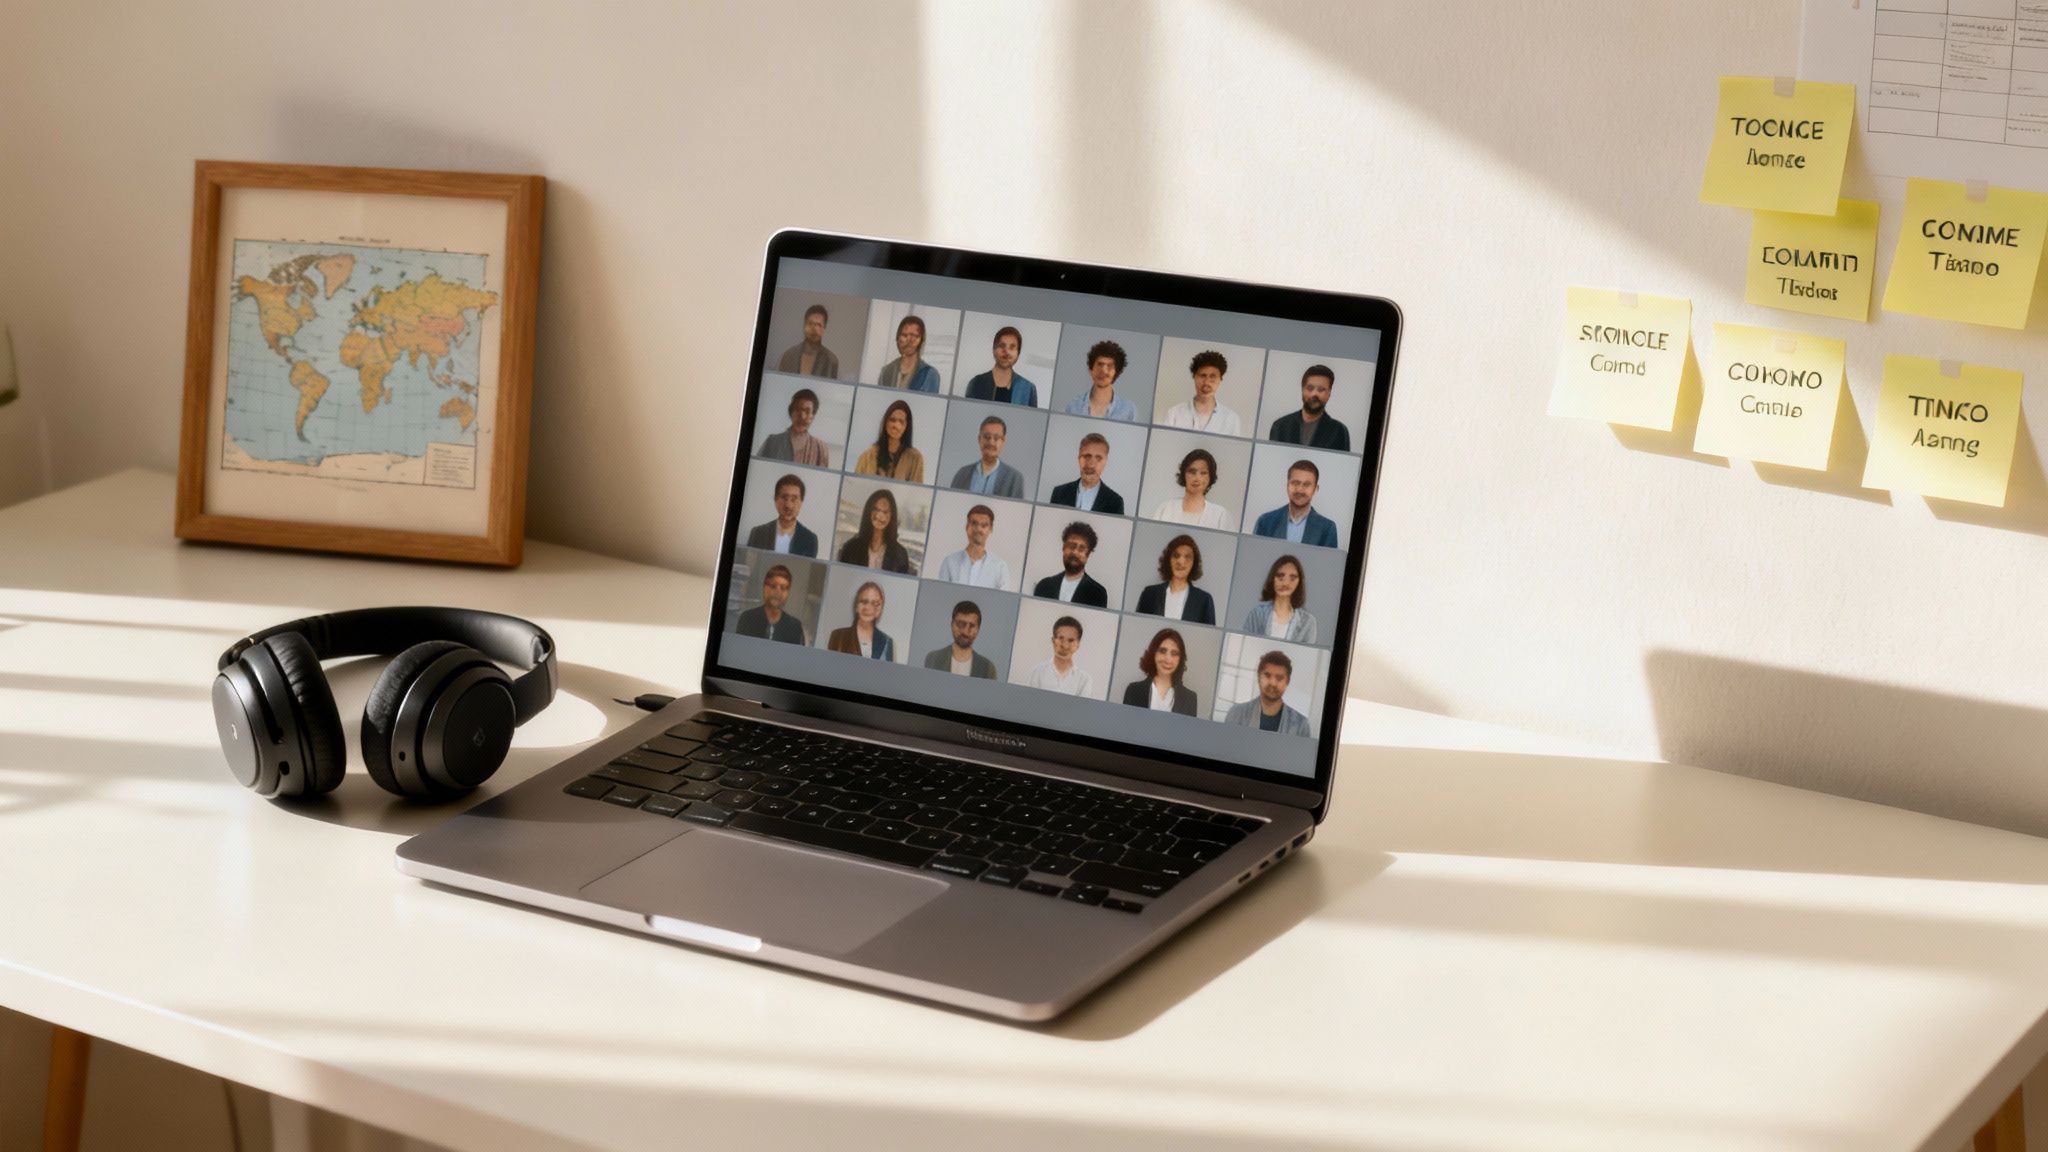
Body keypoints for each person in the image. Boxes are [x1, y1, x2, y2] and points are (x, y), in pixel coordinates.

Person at [1251, 459, 1339, 547]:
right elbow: (1254, 556)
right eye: (1295, 483)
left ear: (1316, 489)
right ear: (1287, 485)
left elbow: (1329, 561)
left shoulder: (1327, 529)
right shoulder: (1265, 522)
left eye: (1306, 484)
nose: (1299, 490)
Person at [1223, 650, 1313, 735]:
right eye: (1267, 675)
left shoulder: (1301, 726)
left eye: (1279, 678)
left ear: (1287, 682)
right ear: (1259, 677)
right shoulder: (1236, 713)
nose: (1273, 683)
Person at [1134, 534, 1216, 624]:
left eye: (1188, 557)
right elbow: (1137, 624)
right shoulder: (1149, 594)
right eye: (1176, 556)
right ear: (1168, 560)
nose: (1181, 562)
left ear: (1194, 563)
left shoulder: (1204, 600)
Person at [1268, 364, 1350, 451]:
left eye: (1321, 389)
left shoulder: (1339, 431)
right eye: (1310, 388)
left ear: (1329, 394)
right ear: (1302, 390)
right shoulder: (1280, 426)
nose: (1314, 394)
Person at [1162, 349, 1242, 436]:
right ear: (1194, 377)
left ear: (1220, 379)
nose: (1206, 383)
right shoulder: (1174, 414)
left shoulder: (1231, 419)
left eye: (1213, 376)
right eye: (1202, 376)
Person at [933, 504, 1013, 589]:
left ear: (990, 529)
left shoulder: (1000, 567)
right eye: (974, 523)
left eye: (984, 525)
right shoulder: (949, 562)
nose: (978, 529)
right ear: (967, 526)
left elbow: (1003, 601)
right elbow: (941, 595)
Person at [1150, 447, 1233, 529]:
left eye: (1203, 473)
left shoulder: (1220, 516)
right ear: (1183, 474)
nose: (1197, 478)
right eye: (1192, 472)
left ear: (1210, 477)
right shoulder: (1165, 509)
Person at [1120, 628, 1197, 715]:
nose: (1168, 659)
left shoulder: (1190, 698)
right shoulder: (1133, 691)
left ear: (1180, 659)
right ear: (1153, 654)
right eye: (1162, 651)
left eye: (1174, 653)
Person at [1031, 520, 1108, 607]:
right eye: (1071, 546)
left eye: (1081, 549)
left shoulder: (1098, 593)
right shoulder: (1044, 586)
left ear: (1088, 555)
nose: (1075, 552)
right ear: (1063, 548)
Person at [1242, 555, 1318, 642]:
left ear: (1299, 582)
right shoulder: (1256, 614)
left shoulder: (1308, 622)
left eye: (1292, 578)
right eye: (1280, 576)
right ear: (1272, 579)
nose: (1285, 583)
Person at [836, 487, 913, 573]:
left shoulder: (900, 555)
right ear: (868, 511)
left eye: (885, 511)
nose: (880, 515)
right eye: (876, 509)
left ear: (892, 516)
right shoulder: (850, 548)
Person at [948, 414, 1026, 497]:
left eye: (996, 438)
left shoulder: (1014, 478)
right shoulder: (962, 474)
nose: (991, 443)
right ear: (979, 439)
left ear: (1003, 441)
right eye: (986, 437)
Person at [743, 473, 819, 558]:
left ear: (801, 502)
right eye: (784, 498)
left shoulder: (810, 539)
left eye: (794, 499)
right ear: (775, 499)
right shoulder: (757, 533)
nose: (788, 505)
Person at [1062, 340, 1139, 421]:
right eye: (1100, 364)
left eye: (1110, 366)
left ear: (1117, 372)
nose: (1104, 371)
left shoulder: (1128, 410)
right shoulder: (1073, 407)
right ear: (1091, 370)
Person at [1048, 432, 1124, 513]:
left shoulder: (1116, 503)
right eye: (1087, 456)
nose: (1091, 464)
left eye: (1098, 458)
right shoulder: (1058, 493)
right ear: (1079, 458)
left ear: (1105, 462)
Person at [961, 325, 1039, 406]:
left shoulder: (1029, 389)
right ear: (994, 349)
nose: (1006, 352)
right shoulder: (976, 383)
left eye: (1012, 347)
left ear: (1018, 353)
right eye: (1002, 346)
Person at [922, 600, 999, 679]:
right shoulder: (933, 659)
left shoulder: (988, 668)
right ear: (952, 624)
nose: (965, 631)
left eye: (972, 626)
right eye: (960, 624)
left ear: (978, 629)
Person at [853, 399, 925, 482]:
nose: (896, 425)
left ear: (906, 427)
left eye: (901, 422)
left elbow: (916, 492)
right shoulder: (867, 457)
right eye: (892, 420)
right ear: (885, 422)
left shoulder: (915, 459)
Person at [757, 388, 831, 466]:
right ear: (791, 411)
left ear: (813, 415)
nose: (802, 416)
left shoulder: (821, 449)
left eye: (807, 411)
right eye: (798, 410)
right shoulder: (772, 442)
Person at [734, 564, 806, 645]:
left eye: (783, 588)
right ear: (764, 587)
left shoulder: (795, 627)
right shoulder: (747, 618)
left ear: (788, 593)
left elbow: (797, 656)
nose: (777, 592)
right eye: (773, 586)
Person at [1023, 615, 1094, 696]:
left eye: (1071, 640)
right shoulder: (1037, 673)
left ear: (1078, 645)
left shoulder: (1084, 680)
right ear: (1053, 640)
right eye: (1061, 638)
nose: (1065, 645)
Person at [825, 580, 895, 661]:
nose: (868, 608)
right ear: (856, 606)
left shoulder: (887, 642)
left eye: (874, 603)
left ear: (879, 610)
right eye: (864, 602)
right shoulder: (838, 636)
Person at [875, 314, 941, 392]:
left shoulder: (930, 375)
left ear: (922, 340)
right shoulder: (886, 371)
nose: (909, 340)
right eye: (904, 335)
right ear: (898, 338)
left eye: (914, 336)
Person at [775, 304, 840, 378]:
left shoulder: (831, 361)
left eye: (818, 325)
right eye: (810, 323)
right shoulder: (788, 356)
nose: (814, 329)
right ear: (804, 326)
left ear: (824, 329)